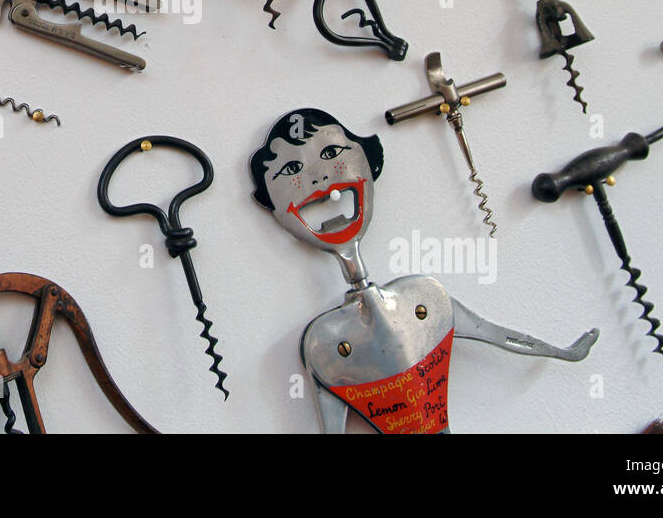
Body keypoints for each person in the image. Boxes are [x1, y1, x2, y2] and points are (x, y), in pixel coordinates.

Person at [250, 108, 598, 433]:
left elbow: (495, 334)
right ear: (271, 203)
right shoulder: (324, 341)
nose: (321, 176)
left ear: (368, 160)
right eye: (292, 171)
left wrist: (562, 352)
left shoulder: (423, 300)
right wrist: (564, 353)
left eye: (331, 154)